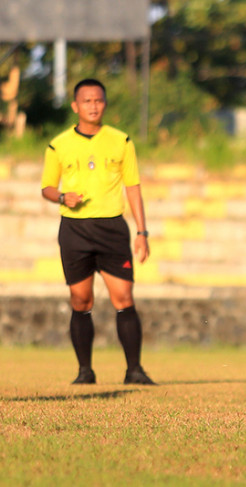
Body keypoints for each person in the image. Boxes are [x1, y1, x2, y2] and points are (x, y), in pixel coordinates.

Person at [41, 78, 156, 385]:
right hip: (75, 230)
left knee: (124, 296)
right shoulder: (59, 144)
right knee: (81, 300)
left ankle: (134, 370)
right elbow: (47, 188)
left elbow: (133, 187)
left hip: (111, 228)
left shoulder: (121, 141)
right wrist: (64, 197)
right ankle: (85, 371)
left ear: (105, 104)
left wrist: (142, 232)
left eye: (99, 100)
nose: (93, 106)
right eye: (87, 101)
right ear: (76, 106)